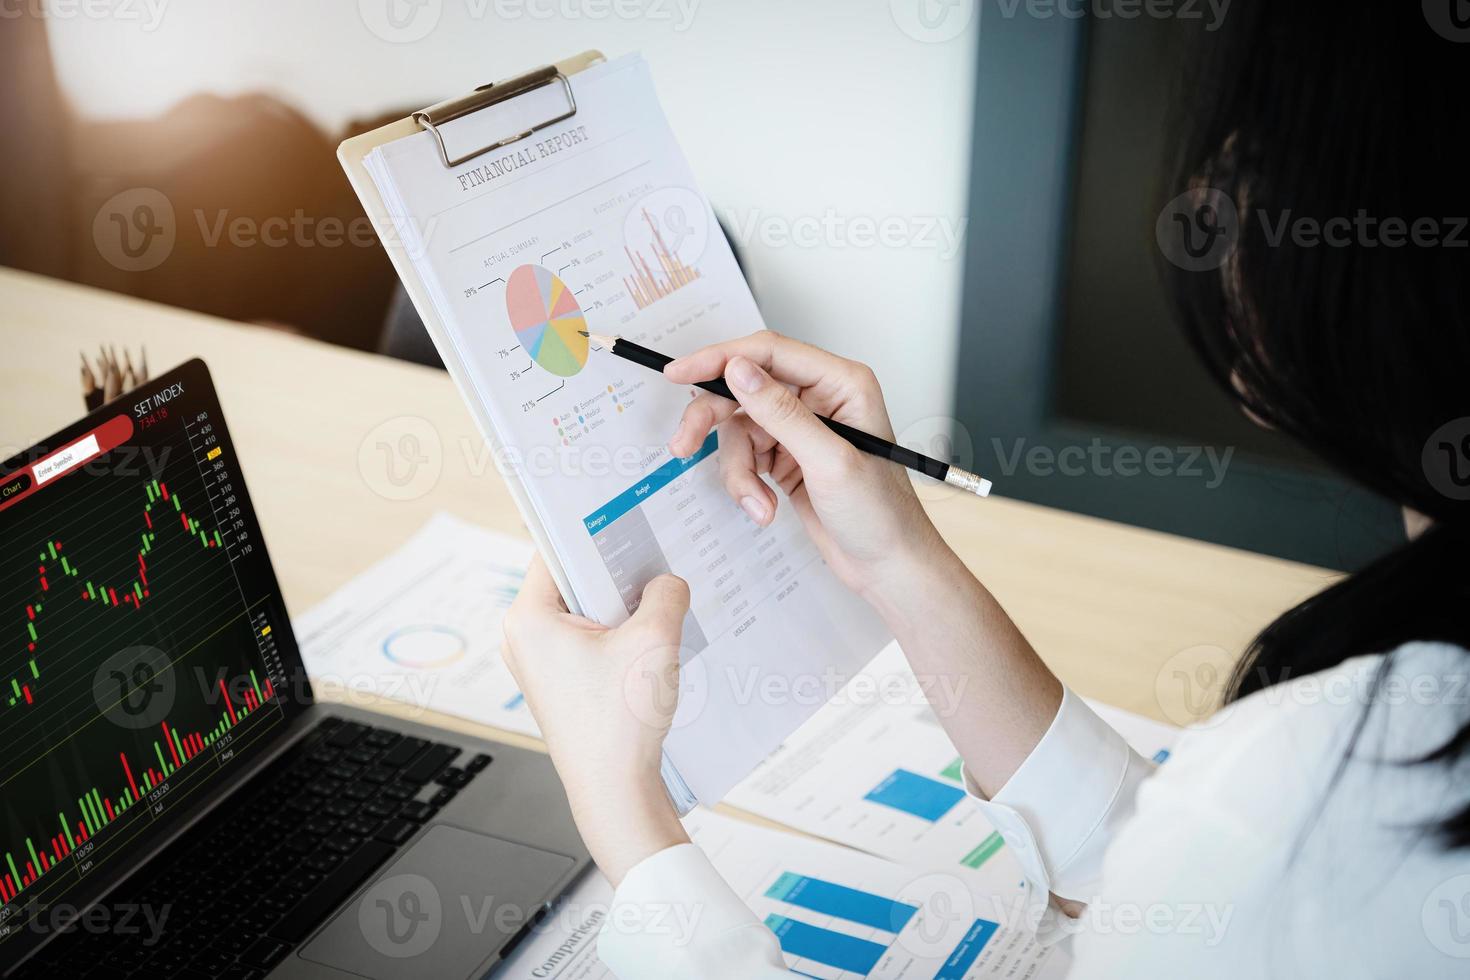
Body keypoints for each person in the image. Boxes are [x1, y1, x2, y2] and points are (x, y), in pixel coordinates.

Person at [502, 6, 1470, 976]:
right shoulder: (1308, 812)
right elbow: (1173, 886)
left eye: (1253, 155)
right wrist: (899, 557)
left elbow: (1234, 875)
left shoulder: (1321, 802)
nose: (1210, 198)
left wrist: (623, 805)